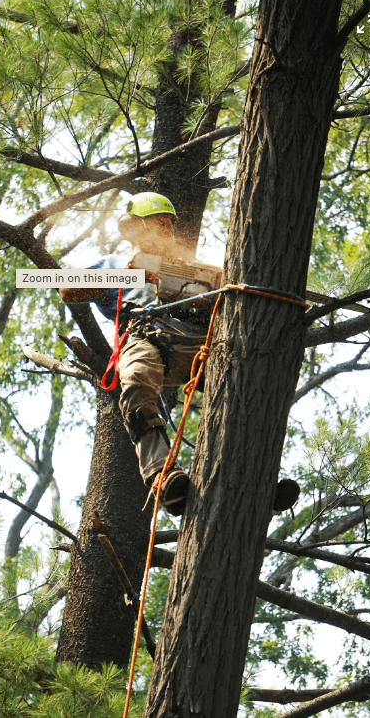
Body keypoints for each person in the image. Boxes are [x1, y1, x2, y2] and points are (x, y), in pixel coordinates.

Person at [59, 192, 300, 518]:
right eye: (159, 222)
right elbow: (67, 288)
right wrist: (136, 274)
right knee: (137, 378)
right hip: (146, 336)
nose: (167, 229)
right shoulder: (116, 263)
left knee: (246, 383)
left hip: (199, 343)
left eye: (170, 223)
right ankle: (162, 475)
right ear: (134, 227)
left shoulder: (190, 268)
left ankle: (257, 479)